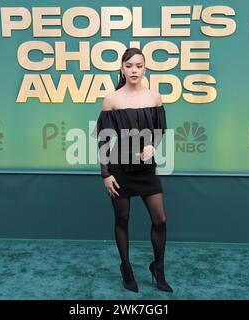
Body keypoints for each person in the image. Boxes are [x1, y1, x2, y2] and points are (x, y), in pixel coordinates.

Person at [92, 48, 173, 293]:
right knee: (122, 219)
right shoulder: (112, 100)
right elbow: (103, 141)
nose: (134, 70)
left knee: (160, 219)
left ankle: (157, 268)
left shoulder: (155, 97)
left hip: (147, 170)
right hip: (119, 169)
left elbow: (160, 132)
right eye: (129, 66)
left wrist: (152, 146)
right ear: (122, 69)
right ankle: (126, 269)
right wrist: (106, 174)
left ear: (145, 68)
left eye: (139, 65)